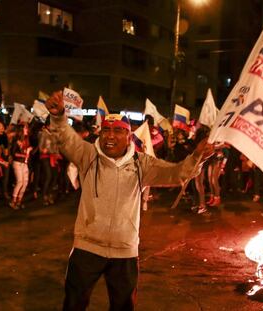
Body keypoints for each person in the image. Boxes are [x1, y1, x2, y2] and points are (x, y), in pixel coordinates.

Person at [45, 91, 214, 311]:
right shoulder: (88, 155)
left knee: (123, 307)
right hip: (87, 247)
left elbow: (177, 173)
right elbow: (66, 139)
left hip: (125, 251)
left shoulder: (142, 164)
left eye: (117, 131)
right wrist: (58, 117)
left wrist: (196, 158)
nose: (110, 136)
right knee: (74, 304)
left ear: (128, 136)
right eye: (106, 130)